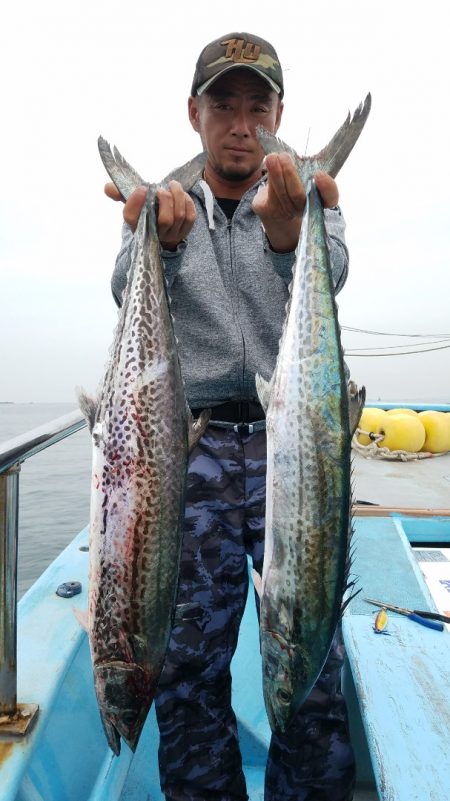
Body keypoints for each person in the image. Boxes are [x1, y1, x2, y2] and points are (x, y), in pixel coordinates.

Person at [106, 32, 355, 801]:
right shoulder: (167, 202)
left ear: (280, 113)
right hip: (198, 449)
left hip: (299, 441)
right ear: (195, 113)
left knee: (311, 656)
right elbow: (126, 285)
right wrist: (165, 243)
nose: (242, 124)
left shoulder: (307, 196)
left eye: (258, 106)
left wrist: (289, 239)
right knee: (185, 665)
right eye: (224, 105)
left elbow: (334, 268)